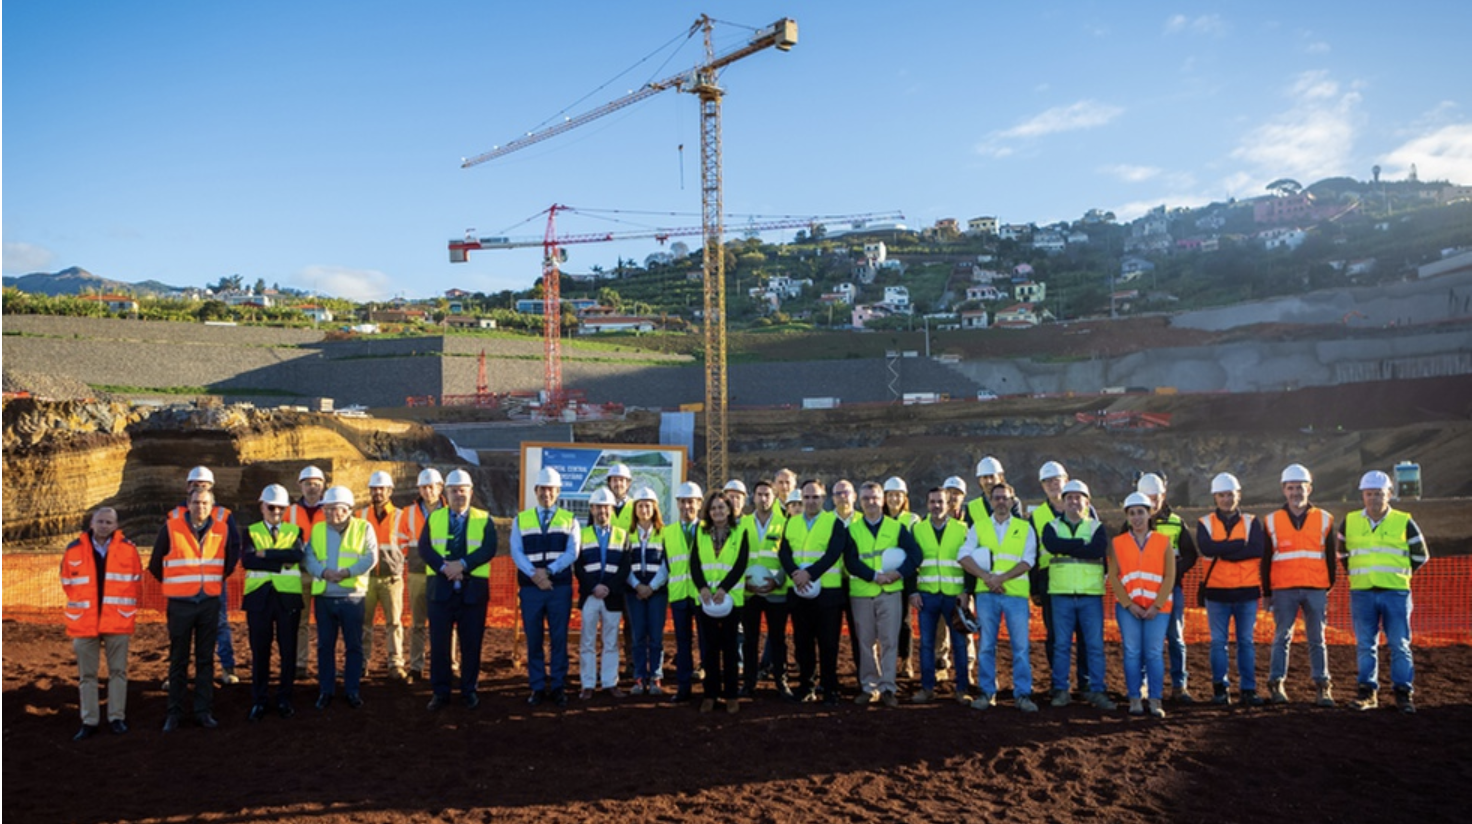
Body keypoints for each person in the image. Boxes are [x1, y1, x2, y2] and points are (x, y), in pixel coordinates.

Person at [1338, 470, 1429, 713]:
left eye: (1379, 493)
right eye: (1369, 493)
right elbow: (1342, 554)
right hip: (1362, 593)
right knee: (1366, 644)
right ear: (1362, 495)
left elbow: (1420, 556)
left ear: (1389, 494)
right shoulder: (1350, 521)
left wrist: (1399, 575)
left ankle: (1403, 693)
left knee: (1399, 644)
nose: (1374, 498)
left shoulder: (1403, 521)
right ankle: (1367, 693)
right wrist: (1360, 575)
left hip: (1395, 593)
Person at [150, 487, 241, 731]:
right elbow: (155, 564)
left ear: (212, 506)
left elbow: (230, 560)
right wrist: (177, 584)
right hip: (180, 605)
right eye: (196, 503)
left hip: (209, 603)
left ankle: (203, 711)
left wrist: (210, 583)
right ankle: (174, 713)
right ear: (187, 505)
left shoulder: (221, 529)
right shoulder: (171, 528)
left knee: (205, 660)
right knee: (178, 660)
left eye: (204, 503)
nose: (200, 507)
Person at [419, 469, 498, 710]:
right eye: (453, 491)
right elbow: (425, 549)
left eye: (462, 491)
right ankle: (440, 692)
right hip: (440, 592)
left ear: (471, 492)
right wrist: (445, 568)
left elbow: (488, 549)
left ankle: (469, 690)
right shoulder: (434, 518)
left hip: (472, 593)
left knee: (471, 645)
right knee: (439, 645)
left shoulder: (484, 519)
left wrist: (462, 565)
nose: (458, 495)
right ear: (446, 493)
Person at [62, 507, 141, 740]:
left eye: (109, 522)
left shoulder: (129, 550)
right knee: (87, 675)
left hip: (117, 620)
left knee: (118, 672)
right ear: (92, 523)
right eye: (100, 521)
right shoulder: (73, 549)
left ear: (116, 525)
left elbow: (136, 581)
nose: (104, 525)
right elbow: (67, 582)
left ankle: (116, 717)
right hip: (85, 622)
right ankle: (89, 721)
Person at [959, 482, 1038, 713]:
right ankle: (987, 693)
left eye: (1005, 498)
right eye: (997, 498)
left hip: (1015, 596)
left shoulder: (1025, 528)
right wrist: (986, 577)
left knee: (1021, 647)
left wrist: (999, 579)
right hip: (986, 596)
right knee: (986, 646)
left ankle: (1023, 694)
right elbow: (963, 555)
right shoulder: (979, 527)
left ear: (1013, 501)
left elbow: (1028, 560)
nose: (1001, 501)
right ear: (991, 501)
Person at [1263, 464, 1337, 707]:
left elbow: (1330, 557)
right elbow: (1265, 559)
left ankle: (1322, 686)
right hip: (1283, 589)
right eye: (1291, 487)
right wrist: (1267, 592)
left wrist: (1327, 585)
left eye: (1300, 487)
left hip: (1315, 588)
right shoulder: (1271, 521)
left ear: (1309, 489)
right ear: (1284, 490)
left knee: (1317, 639)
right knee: (1281, 638)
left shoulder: (1325, 519)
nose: (1296, 492)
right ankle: (1276, 684)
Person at [844, 481, 921, 708]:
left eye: (875, 498)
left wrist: (897, 574)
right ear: (860, 501)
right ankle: (869, 687)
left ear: (883, 500)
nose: (871, 502)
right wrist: (874, 576)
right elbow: (850, 562)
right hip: (862, 593)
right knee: (866, 642)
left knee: (889, 641)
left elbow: (915, 555)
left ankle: (888, 687)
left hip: (890, 592)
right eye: (866, 498)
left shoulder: (896, 528)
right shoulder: (853, 530)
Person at [1040, 480, 1115, 710]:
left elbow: (1096, 549)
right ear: (1062, 502)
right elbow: (1052, 545)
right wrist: (1080, 544)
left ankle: (1097, 690)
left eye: (1078, 497)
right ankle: (1061, 690)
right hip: (1061, 594)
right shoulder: (1051, 526)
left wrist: (1068, 546)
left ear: (1087, 502)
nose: (1073, 502)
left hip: (1089, 595)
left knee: (1093, 646)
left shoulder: (1096, 528)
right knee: (1061, 645)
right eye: (1069, 498)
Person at [510, 467, 581, 707]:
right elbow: (516, 551)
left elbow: (573, 552)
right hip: (531, 589)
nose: (547, 493)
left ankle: (558, 685)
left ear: (558, 491)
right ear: (536, 491)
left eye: (551, 489)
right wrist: (535, 575)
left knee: (559, 638)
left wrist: (548, 572)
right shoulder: (521, 519)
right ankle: (537, 686)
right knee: (534, 638)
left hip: (558, 588)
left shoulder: (569, 520)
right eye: (543, 489)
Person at [1196, 472, 1267, 707]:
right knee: (1218, 643)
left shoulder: (1251, 521)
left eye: (1230, 494)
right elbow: (1206, 548)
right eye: (1222, 495)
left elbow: (1257, 549)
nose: (1227, 499)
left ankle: (1248, 689)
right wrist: (1238, 545)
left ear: (1238, 496)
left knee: (1246, 642)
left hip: (1246, 593)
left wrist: (1223, 550)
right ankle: (1220, 689)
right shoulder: (1204, 523)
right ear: (1215, 497)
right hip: (1217, 594)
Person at [304, 485, 378, 710]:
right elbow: (309, 556)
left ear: (347, 510)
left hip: (352, 597)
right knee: (325, 646)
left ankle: (352, 690)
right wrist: (323, 573)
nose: (328, 513)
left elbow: (370, 557)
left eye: (333, 509)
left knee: (353, 646)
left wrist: (347, 572)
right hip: (325, 597)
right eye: (326, 509)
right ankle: (326, 690)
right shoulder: (317, 530)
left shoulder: (364, 528)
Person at [779, 479, 850, 705]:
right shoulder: (791, 523)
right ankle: (807, 687)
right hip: (799, 595)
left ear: (824, 498)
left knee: (828, 644)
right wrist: (794, 574)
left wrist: (809, 573)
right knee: (803, 644)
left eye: (815, 497)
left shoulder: (834, 523)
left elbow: (833, 554)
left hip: (827, 595)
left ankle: (830, 690)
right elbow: (784, 553)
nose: (810, 502)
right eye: (806, 498)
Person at [241, 484, 306, 721]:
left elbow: (297, 555)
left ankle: (284, 699)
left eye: (280, 508)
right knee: (260, 652)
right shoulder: (250, 531)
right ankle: (259, 700)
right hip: (259, 600)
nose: (276, 512)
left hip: (287, 599)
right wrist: (281, 560)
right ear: (262, 507)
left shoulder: (295, 531)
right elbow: (247, 560)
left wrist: (266, 555)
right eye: (271, 507)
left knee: (288, 652)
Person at [1109, 492, 1177, 718]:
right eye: (1132, 513)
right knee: (1132, 652)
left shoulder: (1163, 541)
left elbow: (1169, 576)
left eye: (1141, 512)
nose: (1136, 517)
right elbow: (1115, 577)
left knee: (1154, 653)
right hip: (1130, 609)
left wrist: (1156, 606)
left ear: (1149, 514)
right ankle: (1135, 698)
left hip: (1158, 610)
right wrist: (1129, 605)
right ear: (1127, 517)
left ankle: (1155, 699)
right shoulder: (1117, 543)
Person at [1136, 472, 1199, 703]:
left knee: (1175, 637)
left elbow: (1190, 555)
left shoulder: (1176, 522)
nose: (1152, 502)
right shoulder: (1132, 521)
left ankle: (1179, 685)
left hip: (1172, 590)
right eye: (1147, 498)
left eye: (1155, 497)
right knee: (1143, 639)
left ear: (1163, 495)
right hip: (1142, 591)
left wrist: (1171, 574)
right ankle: (1142, 685)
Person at [1030, 461, 1090, 696]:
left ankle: (1084, 682)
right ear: (1043, 486)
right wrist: (1035, 588)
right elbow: (1033, 552)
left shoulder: (1085, 509)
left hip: (1081, 579)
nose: (1053, 485)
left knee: (1084, 636)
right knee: (1056, 636)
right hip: (1050, 580)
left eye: (1057, 480)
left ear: (1066, 480)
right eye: (1048, 481)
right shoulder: (1037, 516)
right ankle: (1059, 684)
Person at [178, 467, 242, 686]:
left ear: (211, 488)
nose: (199, 488)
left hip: (215, 583)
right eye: (195, 485)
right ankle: (178, 674)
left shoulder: (224, 515)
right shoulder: (175, 515)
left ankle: (227, 668)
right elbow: (165, 549)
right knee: (182, 629)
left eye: (204, 485)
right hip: (184, 584)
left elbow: (234, 546)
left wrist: (224, 572)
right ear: (188, 487)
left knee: (220, 624)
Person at [909, 488, 972, 705]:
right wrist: (913, 591)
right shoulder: (918, 529)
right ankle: (927, 688)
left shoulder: (962, 529)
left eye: (940, 502)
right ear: (927, 504)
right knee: (927, 644)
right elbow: (910, 562)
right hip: (927, 596)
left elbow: (970, 561)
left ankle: (962, 688)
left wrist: (966, 592)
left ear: (949, 504)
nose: (936, 506)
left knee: (959, 643)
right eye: (932, 501)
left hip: (954, 596)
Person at [692, 490, 749, 714]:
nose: (718, 511)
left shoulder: (740, 531)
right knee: (710, 649)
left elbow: (741, 563)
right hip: (707, 599)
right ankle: (710, 694)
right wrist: (703, 588)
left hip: (730, 599)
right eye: (714, 508)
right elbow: (694, 562)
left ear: (729, 510)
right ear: (708, 511)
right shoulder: (701, 531)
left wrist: (724, 588)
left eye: (722, 507)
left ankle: (732, 695)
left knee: (730, 648)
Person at [740, 479, 795, 701]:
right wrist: (744, 582)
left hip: (776, 592)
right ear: (752, 497)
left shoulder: (785, 523)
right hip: (750, 591)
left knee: (778, 639)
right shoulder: (742, 523)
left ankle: (781, 682)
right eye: (759, 494)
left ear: (774, 498)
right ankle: (749, 682)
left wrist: (779, 581)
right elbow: (738, 557)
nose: (763, 499)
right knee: (750, 640)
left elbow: (788, 557)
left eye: (767, 495)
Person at [396, 468, 450, 683]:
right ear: (419, 489)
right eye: (424, 487)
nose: (428, 491)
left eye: (432, 486)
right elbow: (399, 540)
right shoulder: (407, 513)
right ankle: (416, 667)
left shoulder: (450, 511)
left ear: (440, 487)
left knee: (447, 623)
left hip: (443, 574)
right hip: (418, 573)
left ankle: (450, 665)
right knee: (418, 623)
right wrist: (411, 557)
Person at [577, 488, 630, 699]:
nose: (603, 511)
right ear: (591, 509)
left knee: (611, 642)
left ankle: (610, 682)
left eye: (606, 507)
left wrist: (608, 587)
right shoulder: (582, 534)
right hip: (590, 596)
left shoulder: (622, 535)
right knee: (587, 641)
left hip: (613, 597)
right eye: (598, 507)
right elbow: (578, 567)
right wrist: (593, 587)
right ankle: (587, 684)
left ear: (612, 509)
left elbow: (624, 566)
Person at [359, 471, 406, 681]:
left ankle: (395, 664)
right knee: (363, 624)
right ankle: (360, 663)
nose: (377, 492)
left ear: (389, 491)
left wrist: (397, 565)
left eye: (381, 488)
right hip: (366, 579)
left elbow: (409, 545)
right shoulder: (360, 516)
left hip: (391, 579)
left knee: (394, 623)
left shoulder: (401, 516)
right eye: (374, 488)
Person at [662, 481, 705, 704]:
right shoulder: (668, 533)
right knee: (683, 643)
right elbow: (665, 565)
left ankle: (709, 689)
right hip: (679, 595)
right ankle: (684, 687)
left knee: (707, 643)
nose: (686, 506)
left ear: (699, 504)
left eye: (691, 501)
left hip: (702, 597)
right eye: (683, 502)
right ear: (677, 504)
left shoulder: (707, 530)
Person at [625, 487, 669, 695]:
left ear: (654, 509)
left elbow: (666, 565)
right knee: (638, 635)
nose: (644, 509)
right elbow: (624, 565)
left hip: (657, 593)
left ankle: (656, 677)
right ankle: (640, 677)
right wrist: (637, 586)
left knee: (656, 636)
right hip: (634, 593)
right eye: (640, 505)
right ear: (635, 509)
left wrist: (651, 587)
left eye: (648, 505)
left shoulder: (664, 534)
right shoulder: (628, 535)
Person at [287, 465, 328, 676]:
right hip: (299, 573)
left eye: (316, 483)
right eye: (308, 483)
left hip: (324, 574)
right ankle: (301, 663)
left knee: (325, 622)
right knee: (300, 621)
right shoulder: (290, 512)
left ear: (323, 485)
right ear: (300, 486)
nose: (312, 488)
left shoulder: (330, 509)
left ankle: (324, 664)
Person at [882, 477, 921, 681]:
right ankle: (885, 660)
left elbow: (915, 552)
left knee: (904, 621)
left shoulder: (912, 519)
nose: (894, 499)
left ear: (904, 497)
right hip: (882, 578)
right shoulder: (879, 518)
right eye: (890, 495)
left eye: (898, 495)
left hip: (904, 577)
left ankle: (906, 661)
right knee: (883, 622)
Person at [605, 463, 635, 532]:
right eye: (615, 480)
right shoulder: (601, 506)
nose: (618, 484)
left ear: (628, 484)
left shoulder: (636, 506)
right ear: (609, 483)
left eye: (621, 480)